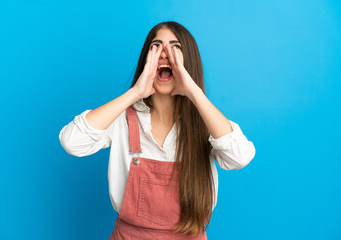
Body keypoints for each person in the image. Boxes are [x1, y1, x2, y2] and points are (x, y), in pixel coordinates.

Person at [59, 21, 256, 239]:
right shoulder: (122, 117)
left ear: (187, 60)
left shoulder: (206, 122)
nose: (165, 54)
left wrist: (193, 91)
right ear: (146, 59)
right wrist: (134, 93)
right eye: (156, 46)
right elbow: (72, 142)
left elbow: (239, 157)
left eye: (175, 47)